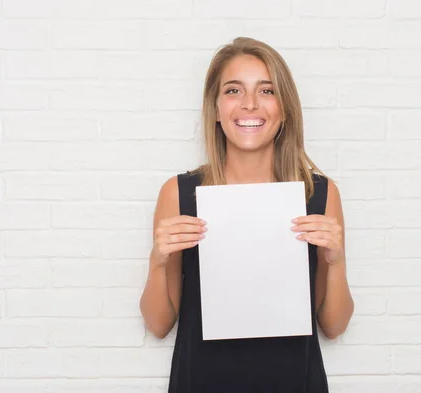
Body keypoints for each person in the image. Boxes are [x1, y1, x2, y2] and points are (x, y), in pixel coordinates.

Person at [139, 37, 354, 393]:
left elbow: (334, 326)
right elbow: (158, 324)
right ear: (215, 108)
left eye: (267, 91)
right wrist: (158, 261)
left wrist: (336, 260)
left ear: (285, 107)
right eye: (233, 90)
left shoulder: (319, 195)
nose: (250, 104)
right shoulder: (178, 194)